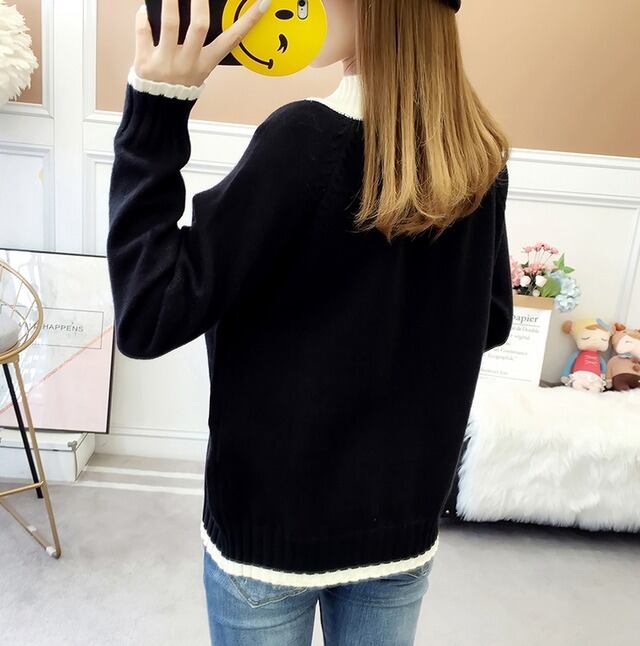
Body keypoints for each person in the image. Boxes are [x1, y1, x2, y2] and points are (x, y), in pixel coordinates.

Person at [106, 0, 513, 644]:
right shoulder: (479, 158)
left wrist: (156, 111)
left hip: (270, 535)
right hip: (402, 530)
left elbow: (149, 312)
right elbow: (489, 321)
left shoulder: (303, 142)